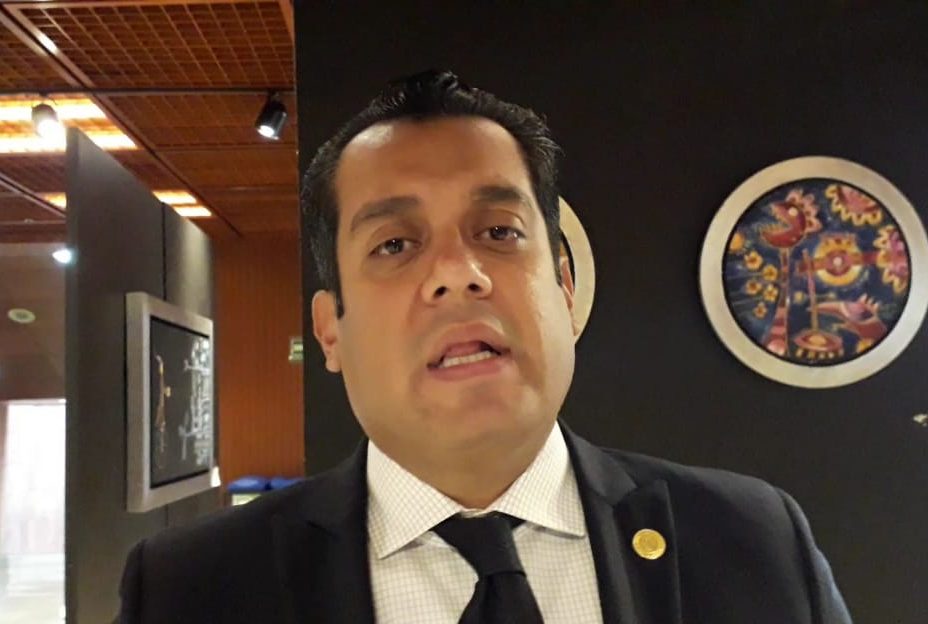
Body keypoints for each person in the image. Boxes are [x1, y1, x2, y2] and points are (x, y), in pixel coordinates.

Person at [118, 69, 852, 623]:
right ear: (330, 329)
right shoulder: (191, 590)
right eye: (395, 244)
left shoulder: (752, 540)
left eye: (499, 232)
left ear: (564, 288)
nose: (458, 273)